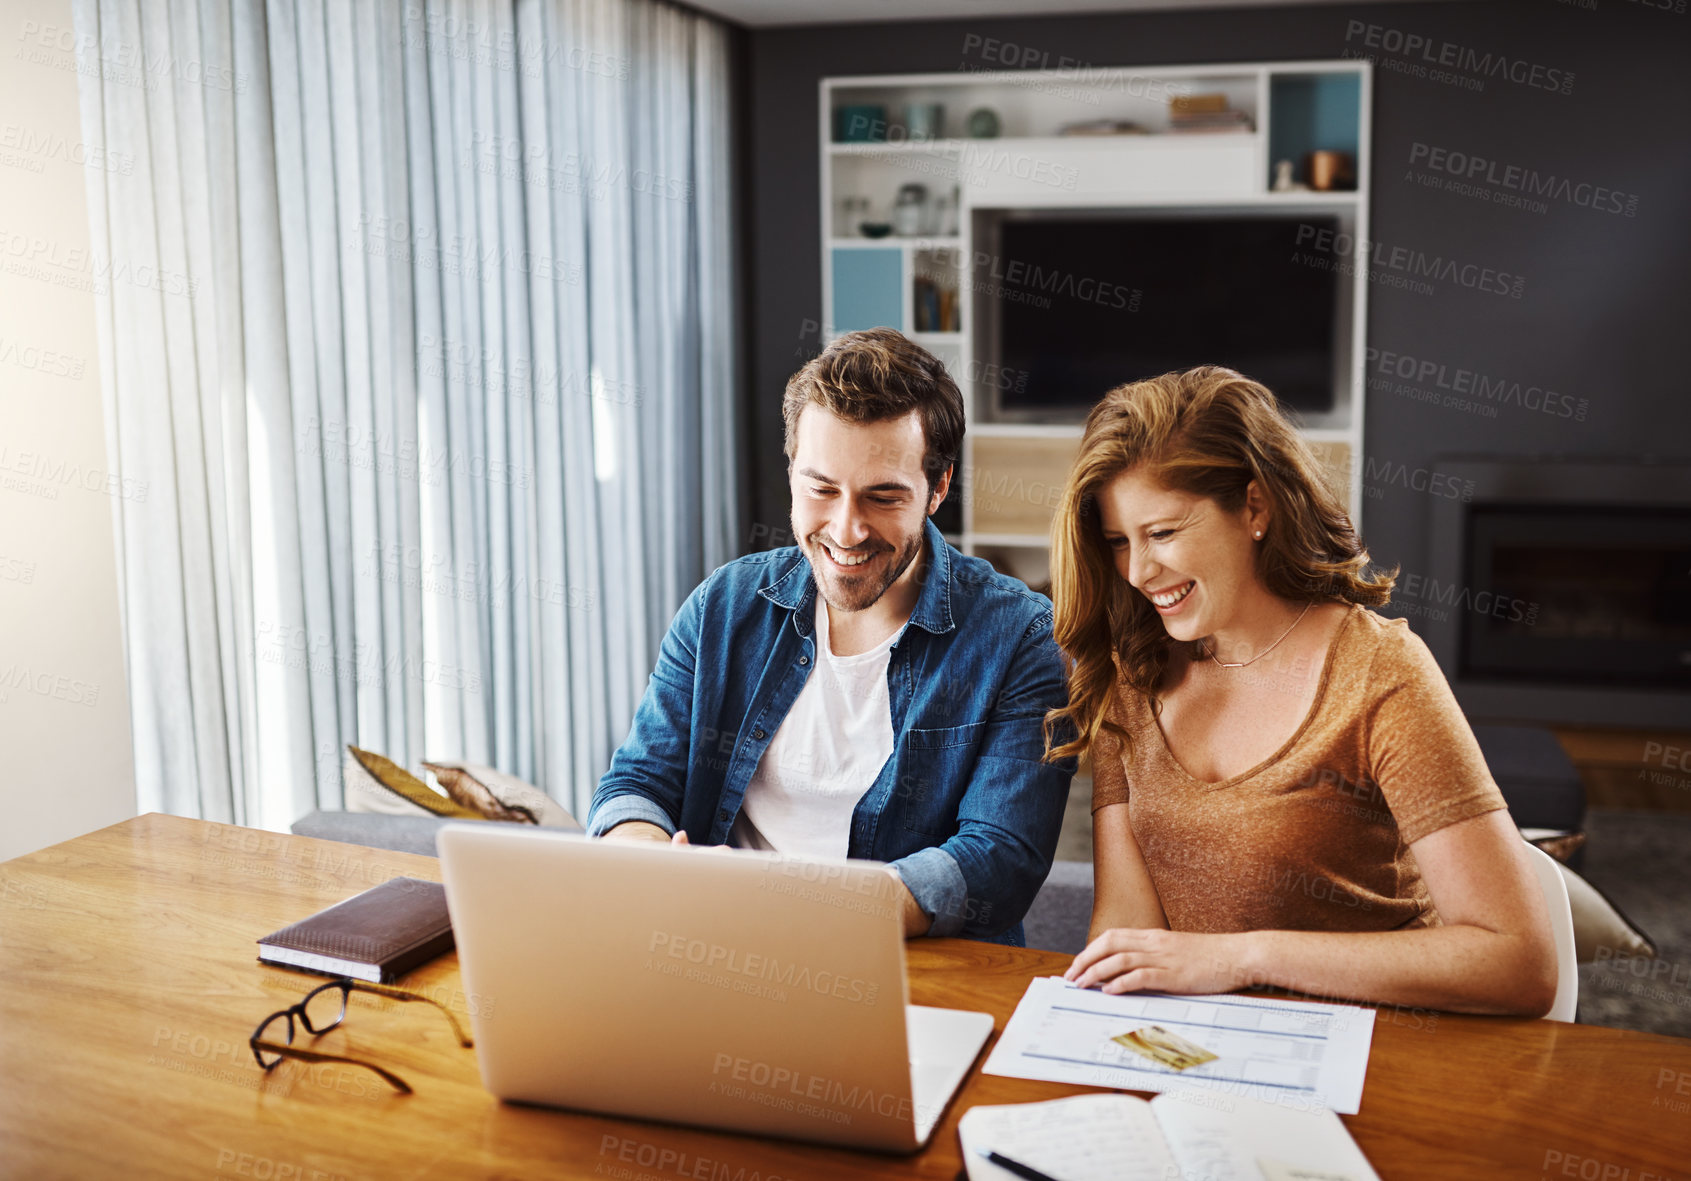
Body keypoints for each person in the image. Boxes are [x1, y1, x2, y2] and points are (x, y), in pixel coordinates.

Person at [1045, 366, 1557, 1015]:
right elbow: (1124, 930)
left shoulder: (1379, 670)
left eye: (1164, 532)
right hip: (1204, 1048)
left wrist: (1243, 956)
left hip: (1382, 1047)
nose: (1139, 571)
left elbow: (1517, 959)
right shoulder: (1135, 670)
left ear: (1254, 507)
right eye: (1119, 542)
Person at [587, 328, 1073, 945]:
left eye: (883, 496)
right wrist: (650, 857)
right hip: (713, 949)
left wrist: (804, 914)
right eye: (821, 489)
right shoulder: (722, 607)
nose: (847, 530)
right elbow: (635, 784)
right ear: (792, 471)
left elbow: (999, 860)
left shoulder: (1018, 636)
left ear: (939, 487)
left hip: (908, 969)